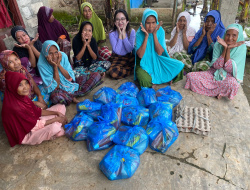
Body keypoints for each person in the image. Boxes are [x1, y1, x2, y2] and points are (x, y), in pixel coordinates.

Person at [2, 71, 67, 147]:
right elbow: (33, 125)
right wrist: (56, 119)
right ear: (12, 86)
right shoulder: (15, 107)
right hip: (27, 133)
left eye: (26, 83)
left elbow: (37, 111)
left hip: (34, 121)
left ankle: (55, 127)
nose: (25, 87)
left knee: (61, 106)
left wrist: (56, 113)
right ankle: (55, 128)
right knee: (55, 128)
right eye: (20, 85)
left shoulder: (21, 97)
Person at [185, 23, 246, 100]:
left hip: (228, 77)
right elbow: (217, 66)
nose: (230, 38)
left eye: (234, 35)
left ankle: (217, 91)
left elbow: (229, 69)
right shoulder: (218, 44)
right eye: (228, 35)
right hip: (213, 74)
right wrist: (225, 48)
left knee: (233, 84)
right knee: (190, 76)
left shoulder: (241, 48)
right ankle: (219, 92)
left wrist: (229, 49)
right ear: (225, 34)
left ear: (238, 36)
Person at [38, 40, 103, 105]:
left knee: (96, 75)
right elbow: (56, 86)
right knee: (56, 97)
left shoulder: (62, 55)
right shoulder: (41, 64)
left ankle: (70, 95)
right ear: (45, 54)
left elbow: (69, 77)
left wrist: (59, 65)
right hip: (57, 89)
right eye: (50, 54)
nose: (54, 56)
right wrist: (55, 67)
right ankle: (72, 96)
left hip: (69, 83)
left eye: (56, 52)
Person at [135, 9, 184, 88]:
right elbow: (140, 55)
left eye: (153, 23)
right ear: (144, 22)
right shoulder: (139, 33)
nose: (151, 26)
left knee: (179, 67)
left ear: (156, 22)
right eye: (148, 23)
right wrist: (146, 36)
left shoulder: (160, 30)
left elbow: (160, 52)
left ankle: (159, 79)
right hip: (144, 62)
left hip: (159, 60)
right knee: (144, 80)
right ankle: (162, 79)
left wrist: (154, 34)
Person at [108, 9, 135, 79]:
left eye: (122, 19)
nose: (120, 22)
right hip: (117, 57)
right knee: (113, 73)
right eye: (117, 19)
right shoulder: (112, 33)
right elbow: (117, 51)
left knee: (141, 64)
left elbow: (129, 49)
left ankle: (128, 69)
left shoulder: (131, 31)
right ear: (114, 22)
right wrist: (120, 34)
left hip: (129, 56)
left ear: (127, 21)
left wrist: (124, 35)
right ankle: (131, 70)